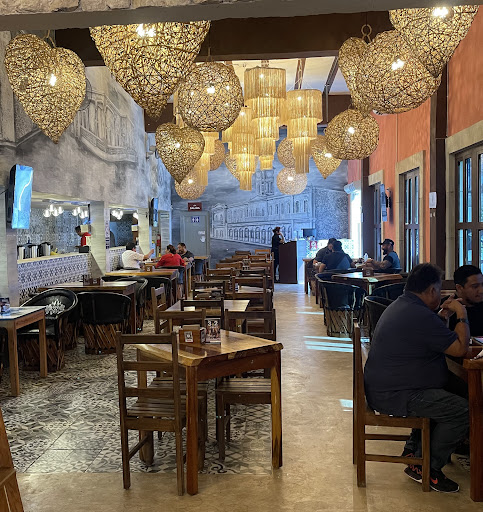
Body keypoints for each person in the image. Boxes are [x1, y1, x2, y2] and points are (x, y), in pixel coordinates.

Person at [364, 263, 470, 493]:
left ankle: (414, 452)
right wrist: (462, 314)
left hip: (387, 386)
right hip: (396, 393)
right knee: (461, 409)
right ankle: (427, 468)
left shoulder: (405, 305)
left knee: (452, 390)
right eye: (438, 289)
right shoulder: (419, 314)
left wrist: (443, 316)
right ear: (431, 290)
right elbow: (460, 349)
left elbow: (431, 337)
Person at [448, 265, 483, 336]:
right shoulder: (447, 308)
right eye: (475, 286)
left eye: (482, 285)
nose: (481, 290)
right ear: (459, 288)